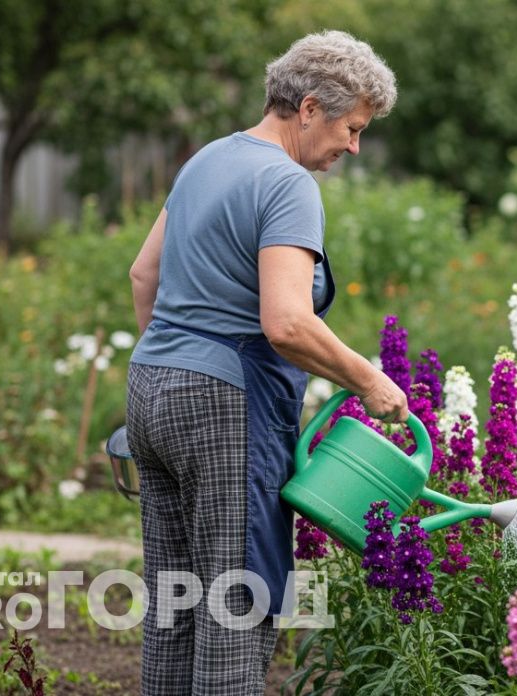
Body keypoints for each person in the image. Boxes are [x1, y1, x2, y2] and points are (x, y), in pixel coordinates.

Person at [124, 30, 408, 695]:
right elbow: (286, 323)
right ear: (309, 108)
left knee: (174, 608)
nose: (353, 147)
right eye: (351, 128)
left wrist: (174, 364)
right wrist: (370, 380)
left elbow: (143, 275)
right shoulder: (286, 183)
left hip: (150, 390)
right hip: (226, 406)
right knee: (236, 607)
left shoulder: (207, 159)